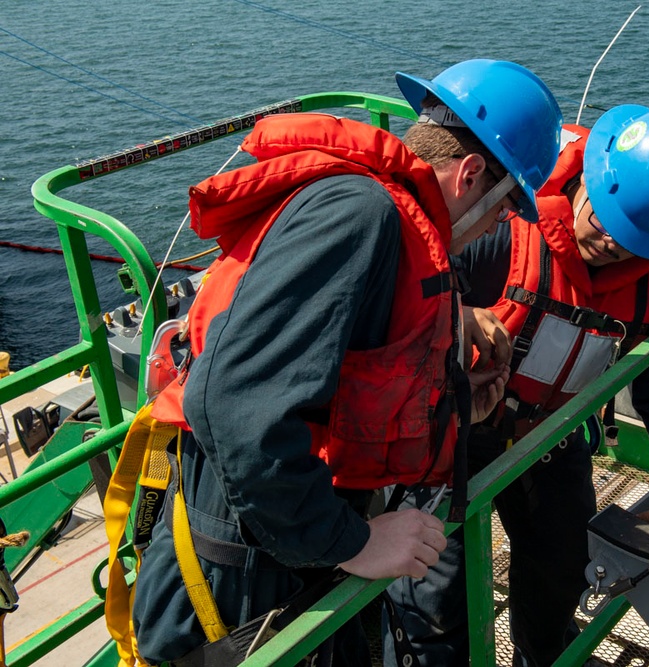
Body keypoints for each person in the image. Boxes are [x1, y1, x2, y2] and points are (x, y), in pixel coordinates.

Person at [125, 59, 562, 666]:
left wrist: (452, 385)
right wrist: (349, 543)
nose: (498, 225)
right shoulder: (360, 215)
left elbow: (344, 356)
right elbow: (234, 405)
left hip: (286, 522)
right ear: (470, 174)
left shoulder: (385, 218)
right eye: (505, 208)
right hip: (248, 551)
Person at [385, 105, 649, 666]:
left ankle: (545, 656)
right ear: (587, 174)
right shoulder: (498, 233)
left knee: (563, 564)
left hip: (547, 437)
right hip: (447, 435)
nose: (613, 244)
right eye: (605, 219)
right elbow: (398, 292)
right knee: (432, 590)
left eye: (634, 238)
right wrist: (456, 309)